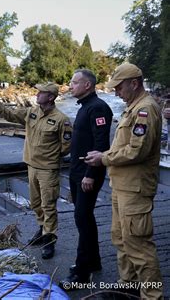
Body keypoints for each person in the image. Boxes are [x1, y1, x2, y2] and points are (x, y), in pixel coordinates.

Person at [85, 63, 163, 299]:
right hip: (122, 186)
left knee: (138, 246)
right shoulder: (133, 107)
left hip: (135, 189)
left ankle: (152, 296)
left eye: (119, 88)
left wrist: (103, 158)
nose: (116, 92)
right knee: (121, 239)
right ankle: (128, 286)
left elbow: (136, 151)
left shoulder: (145, 110)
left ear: (134, 84)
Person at [0, 83, 72, 259]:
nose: (37, 94)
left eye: (41, 92)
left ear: (50, 97)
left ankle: (50, 239)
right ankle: (42, 229)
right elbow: (9, 114)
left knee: (48, 205)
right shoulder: (32, 112)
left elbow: (67, 145)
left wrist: (51, 156)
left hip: (48, 169)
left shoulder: (62, 119)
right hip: (31, 166)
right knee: (35, 203)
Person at [59, 69, 113, 287]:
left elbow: (101, 146)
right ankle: (93, 261)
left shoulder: (98, 108)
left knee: (83, 217)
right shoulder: (85, 107)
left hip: (87, 174)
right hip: (77, 172)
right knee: (83, 218)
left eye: (74, 82)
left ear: (87, 85)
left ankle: (81, 272)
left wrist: (90, 175)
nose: (70, 86)